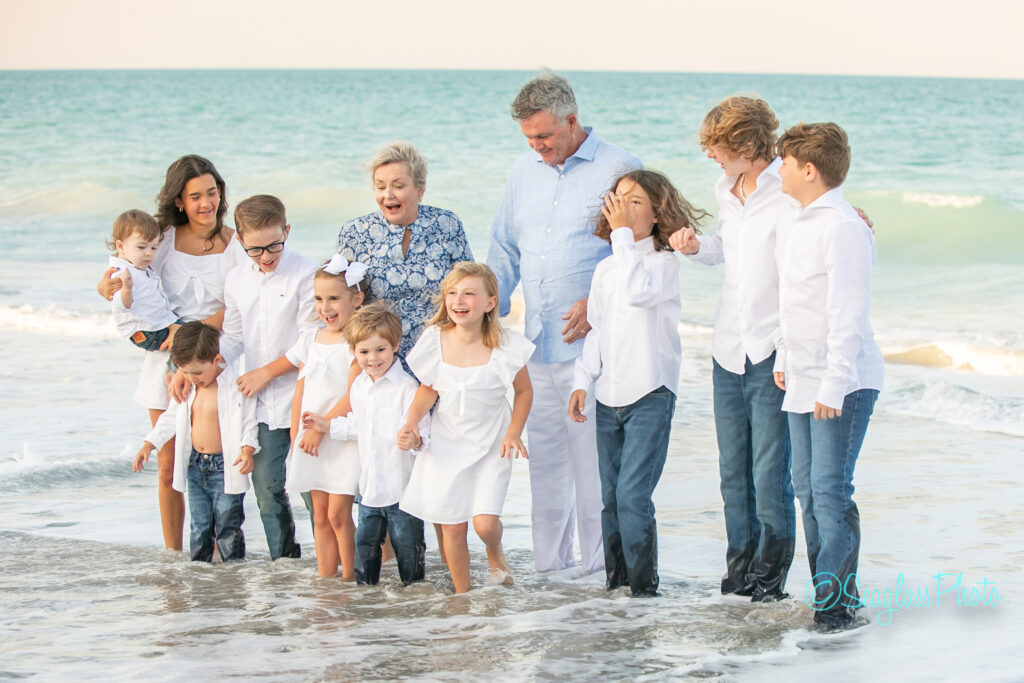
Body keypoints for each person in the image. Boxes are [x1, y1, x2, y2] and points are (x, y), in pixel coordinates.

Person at [487, 69, 641, 575]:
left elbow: (640, 252)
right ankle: (551, 571)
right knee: (547, 467)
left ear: (572, 120)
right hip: (536, 347)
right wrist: (489, 308)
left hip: (593, 349)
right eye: (529, 138)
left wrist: (595, 302)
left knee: (592, 471)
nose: (537, 146)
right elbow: (505, 248)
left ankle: (598, 574)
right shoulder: (522, 172)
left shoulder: (620, 168)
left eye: (545, 136)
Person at [668, 96, 798, 601]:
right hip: (728, 348)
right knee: (732, 470)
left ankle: (770, 582)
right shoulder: (727, 187)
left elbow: (797, 279)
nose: (710, 157)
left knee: (769, 473)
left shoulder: (786, 193)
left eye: (716, 147)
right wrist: (697, 247)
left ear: (746, 145)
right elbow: (726, 248)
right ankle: (738, 574)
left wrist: (787, 351)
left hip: (771, 350)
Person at [99, 155, 246, 552]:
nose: (206, 203)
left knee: (215, 467)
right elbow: (125, 271)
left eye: (212, 193)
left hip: (215, 359)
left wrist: (194, 338)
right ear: (179, 201)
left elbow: (241, 305)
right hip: (163, 357)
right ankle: (173, 557)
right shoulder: (160, 240)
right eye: (195, 196)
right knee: (168, 467)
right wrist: (106, 286)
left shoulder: (236, 244)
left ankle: (216, 554)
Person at [569, 170, 706, 596]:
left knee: (632, 497)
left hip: (651, 393)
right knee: (610, 499)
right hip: (608, 397)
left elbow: (639, 294)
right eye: (619, 199)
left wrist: (623, 239)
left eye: (636, 201)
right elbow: (598, 329)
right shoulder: (608, 268)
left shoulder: (663, 264)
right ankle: (617, 592)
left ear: (657, 212)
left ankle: (645, 592)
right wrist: (582, 379)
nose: (624, 208)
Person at [773, 122, 884, 632]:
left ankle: (835, 608)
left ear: (809, 170)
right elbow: (796, 301)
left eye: (786, 162)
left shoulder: (842, 225)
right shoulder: (802, 221)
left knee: (830, 491)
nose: (780, 169)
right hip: (802, 376)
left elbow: (849, 312)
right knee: (805, 489)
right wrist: (783, 357)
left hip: (844, 380)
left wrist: (835, 382)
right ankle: (832, 595)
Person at [398, 262, 534, 593]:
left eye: (469, 294)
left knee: (485, 525)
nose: (459, 301)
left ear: (490, 302)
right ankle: (463, 596)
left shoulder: (506, 345)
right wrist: (411, 423)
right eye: (452, 294)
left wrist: (514, 432)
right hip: (446, 443)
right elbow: (428, 389)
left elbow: (523, 391)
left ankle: (493, 548)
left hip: (492, 443)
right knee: (453, 528)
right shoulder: (435, 339)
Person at [304, 302, 431, 586]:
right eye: (364, 352)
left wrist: (414, 439)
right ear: (353, 351)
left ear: (395, 344)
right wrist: (327, 426)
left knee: (409, 555)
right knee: (365, 551)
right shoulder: (360, 386)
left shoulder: (406, 389)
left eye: (380, 350)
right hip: (369, 490)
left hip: (402, 492)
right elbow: (358, 426)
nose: (372, 359)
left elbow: (423, 433)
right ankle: (366, 608)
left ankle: (416, 610)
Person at [220, 194, 318, 560]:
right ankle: (285, 563)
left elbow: (313, 339)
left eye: (275, 244)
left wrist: (267, 372)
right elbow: (232, 338)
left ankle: (331, 564)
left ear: (287, 230)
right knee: (266, 489)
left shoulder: (305, 272)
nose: (266, 256)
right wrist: (204, 366)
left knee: (312, 487)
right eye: (256, 249)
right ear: (240, 241)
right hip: (259, 403)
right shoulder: (234, 280)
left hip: (304, 396)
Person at [336, 142, 473, 360]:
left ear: (420, 190)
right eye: (380, 187)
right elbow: (339, 300)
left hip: (440, 352)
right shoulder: (355, 232)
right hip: (378, 359)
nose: (387, 195)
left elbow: (470, 287)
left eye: (398, 186)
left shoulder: (447, 224)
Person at [132, 321, 255, 563]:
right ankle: (200, 574)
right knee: (199, 524)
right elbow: (169, 419)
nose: (192, 378)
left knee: (228, 522)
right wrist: (149, 444)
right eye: (186, 372)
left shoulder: (235, 387)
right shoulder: (189, 389)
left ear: (217, 359)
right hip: (196, 467)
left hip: (225, 466)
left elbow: (249, 422)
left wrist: (248, 450)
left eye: (198, 372)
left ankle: (233, 575)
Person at [285, 255, 369, 578]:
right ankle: (326, 579)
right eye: (319, 299)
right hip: (309, 441)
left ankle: (349, 578)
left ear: (356, 299)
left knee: (338, 513)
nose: (326, 307)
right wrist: (296, 435)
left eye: (334, 298)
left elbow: (353, 395)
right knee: (319, 514)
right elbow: (300, 390)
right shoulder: (312, 339)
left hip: (340, 438)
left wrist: (322, 427)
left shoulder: (356, 343)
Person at [106, 209, 181, 351]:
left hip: (155, 325)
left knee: (195, 333)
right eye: (141, 247)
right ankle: (176, 372)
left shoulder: (137, 265)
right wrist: (126, 289)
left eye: (154, 247)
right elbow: (120, 305)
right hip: (148, 332)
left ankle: (177, 368)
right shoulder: (122, 272)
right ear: (121, 247)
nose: (149, 253)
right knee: (193, 339)